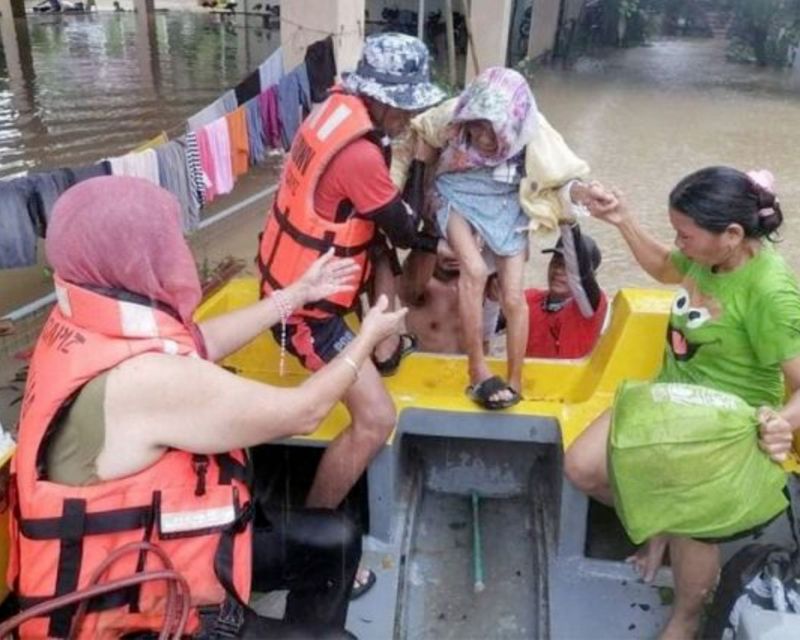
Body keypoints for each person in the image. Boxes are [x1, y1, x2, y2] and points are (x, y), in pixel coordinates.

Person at [9, 176, 407, 639]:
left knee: (333, 540)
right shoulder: (144, 382)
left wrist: (293, 295)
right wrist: (366, 340)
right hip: (133, 617)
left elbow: (198, 342)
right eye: (168, 240)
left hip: (153, 558)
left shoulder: (79, 322)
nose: (178, 251)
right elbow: (304, 411)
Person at [564, 166, 800, 640]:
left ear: (732, 235)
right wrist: (623, 220)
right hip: (667, 398)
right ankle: (660, 526)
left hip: (724, 427)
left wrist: (782, 422)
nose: (680, 242)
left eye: (685, 234)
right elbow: (664, 267)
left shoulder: (770, 293)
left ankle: (687, 617)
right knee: (582, 468)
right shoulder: (706, 256)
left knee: (693, 524)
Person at [257, 33, 444, 508]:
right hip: (304, 318)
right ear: (377, 99)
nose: (407, 118)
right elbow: (406, 229)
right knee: (377, 420)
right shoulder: (360, 155)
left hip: (292, 285)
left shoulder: (333, 109)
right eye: (401, 107)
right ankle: (315, 522)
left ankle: (381, 348)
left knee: (376, 251)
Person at [414, 67, 613, 410]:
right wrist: (416, 198)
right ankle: (477, 371)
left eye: (491, 130)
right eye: (475, 127)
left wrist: (584, 193)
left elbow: (561, 177)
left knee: (513, 297)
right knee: (473, 271)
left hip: (508, 200)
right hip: (457, 191)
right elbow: (422, 136)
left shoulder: (534, 131)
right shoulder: (452, 115)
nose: (481, 138)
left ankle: (515, 378)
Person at [525, 222, 607, 358]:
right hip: (530, 378)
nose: (558, 271)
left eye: (568, 267)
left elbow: (585, 277)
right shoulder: (529, 299)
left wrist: (569, 222)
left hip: (571, 378)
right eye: (556, 263)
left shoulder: (588, 309)